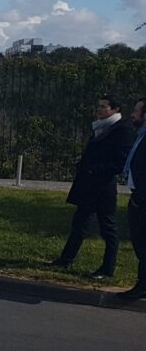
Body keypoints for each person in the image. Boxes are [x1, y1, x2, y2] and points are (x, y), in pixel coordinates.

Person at [50, 95, 135, 279]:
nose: (99, 110)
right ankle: (66, 258)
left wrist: (94, 170)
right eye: (99, 106)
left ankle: (107, 268)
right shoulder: (100, 126)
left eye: (104, 107)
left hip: (103, 185)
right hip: (89, 184)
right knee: (79, 222)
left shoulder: (122, 129)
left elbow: (120, 161)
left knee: (108, 227)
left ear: (115, 109)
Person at [122, 99, 146, 300]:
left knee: (143, 243)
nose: (132, 114)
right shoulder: (141, 135)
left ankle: (143, 285)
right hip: (138, 195)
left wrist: (140, 197)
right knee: (139, 243)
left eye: (137, 111)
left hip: (142, 198)